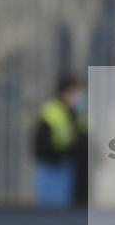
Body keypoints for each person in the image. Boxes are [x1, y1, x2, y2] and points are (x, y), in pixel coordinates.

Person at [33, 75, 85, 206]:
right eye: (75, 92)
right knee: (51, 208)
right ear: (66, 91)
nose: (78, 97)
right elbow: (40, 143)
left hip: (66, 166)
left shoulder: (73, 113)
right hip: (51, 167)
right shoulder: (51, 111)